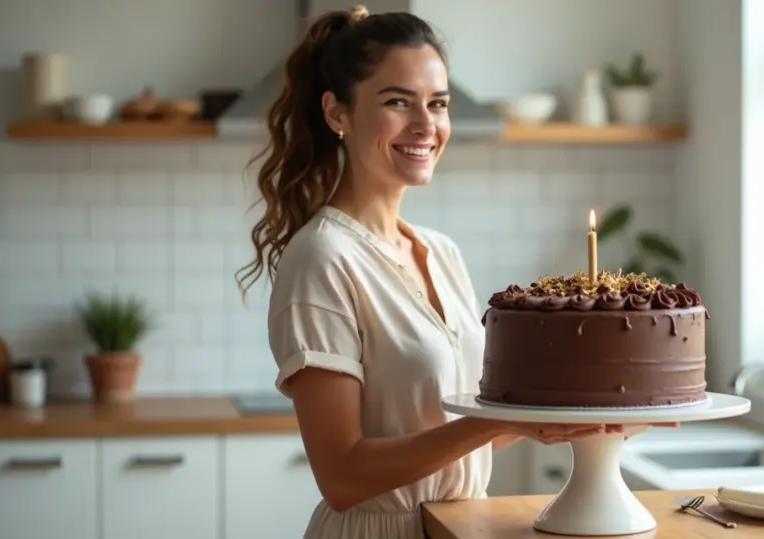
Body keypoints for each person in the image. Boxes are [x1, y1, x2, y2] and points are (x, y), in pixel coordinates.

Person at [235, 5, 673, 538]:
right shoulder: (322, 258)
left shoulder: (441, 252)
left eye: (438, 104)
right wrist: (494, 421)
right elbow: (343, 477)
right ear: (337, 114)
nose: (426, 126)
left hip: (458, 526)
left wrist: (557, 418)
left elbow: (457, 429)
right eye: (398, 102)